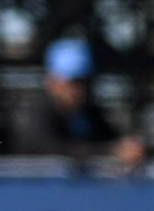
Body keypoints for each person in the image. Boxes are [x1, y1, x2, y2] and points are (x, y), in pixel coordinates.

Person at [12, 36, 145, 169]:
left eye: (85, 81)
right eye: (72, 81)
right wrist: (111, 151)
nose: (79, 89)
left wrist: (129, 146)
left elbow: (110, 137)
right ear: (52, 81)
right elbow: (49, 150)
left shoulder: (89, 113)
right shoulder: (35, 113)